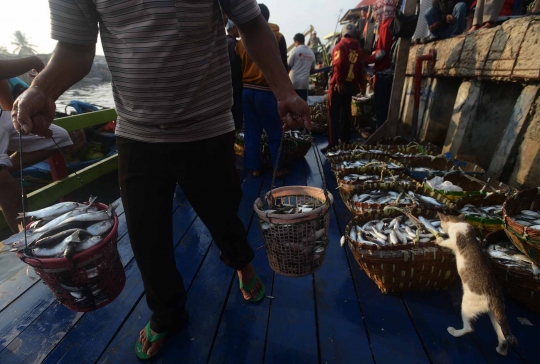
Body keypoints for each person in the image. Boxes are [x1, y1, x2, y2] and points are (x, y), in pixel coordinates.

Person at [13, 0, 310, 359]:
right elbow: (76, 45)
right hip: (137, 134)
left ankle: (243, 264)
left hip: (207, 127)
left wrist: (285, 91)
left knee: (223, 216)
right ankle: (167, 313)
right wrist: (42, 89)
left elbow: (249, 22)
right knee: (146, 238)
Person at [0, 57, 73, 233]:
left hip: (1, 116)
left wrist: (17, 113)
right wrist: (34, 61)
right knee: (7, 187)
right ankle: (30, 242)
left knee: (60, 137)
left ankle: (5, 168)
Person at [236, 3, 289, 178]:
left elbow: (237, 68)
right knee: (274, 131)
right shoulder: (278, 36)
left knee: (252, 133)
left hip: (247, 92)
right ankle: (277, 169)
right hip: (267, 91)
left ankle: (254, 168)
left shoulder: (242, 41)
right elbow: (282, 66)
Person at [322, 24, 364, 153]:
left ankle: (333, 143)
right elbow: (359, 68)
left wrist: (339, 81)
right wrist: (358, 83)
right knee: (346, 113)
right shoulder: (359, 49)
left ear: (342, 34)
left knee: (333, 114)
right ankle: (345, 139)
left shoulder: (339, 46)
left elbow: (338, 63)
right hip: (350, 85)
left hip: (338, 85)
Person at [226, 20, 244, 131]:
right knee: (236, 113)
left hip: (226, 85)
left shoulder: (223, 41)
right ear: (233, 28)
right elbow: (235, 66)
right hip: (236, 85)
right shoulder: (234, 44)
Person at [288, 33, 316, 101]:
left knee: (293, 104)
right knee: (302, 104)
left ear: (296, 41)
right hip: (304, 83)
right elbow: (312, 69)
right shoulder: (311, 52)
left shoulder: (295, 50)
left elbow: (288, 65)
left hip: (293, 82)